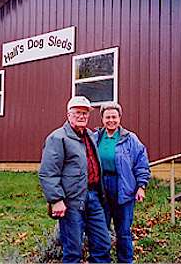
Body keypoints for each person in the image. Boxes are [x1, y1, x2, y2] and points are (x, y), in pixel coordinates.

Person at [39, 96, 111, 263]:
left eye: (85, 113)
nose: (82, 116)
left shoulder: (90, 136)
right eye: (78, 112)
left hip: (93, 197)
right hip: (71, 202)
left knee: (102, 244)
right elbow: (48, 172)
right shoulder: (57, 138)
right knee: (73, 250)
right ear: (68, 114)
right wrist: (56, 199)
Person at [95, 102, 151, 264]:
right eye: (107, 117)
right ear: (102, 119)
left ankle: (125, 261)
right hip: (101, 188)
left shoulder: (130, 139)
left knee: (124, 231)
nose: (111, 120)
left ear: (119, 118)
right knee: (100, 230)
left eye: (114, 117)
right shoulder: (96, 137)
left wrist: (141, 186)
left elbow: (141, 163)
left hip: (124, 188)